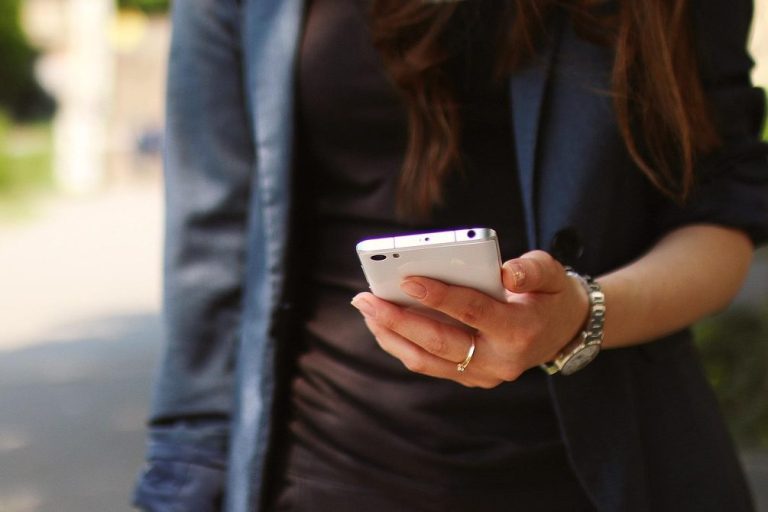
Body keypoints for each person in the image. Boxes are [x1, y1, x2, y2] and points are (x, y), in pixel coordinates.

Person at [133, 0, 768, 511]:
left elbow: (721, 212)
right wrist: (182, 479)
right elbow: (212, 246)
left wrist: (581, 317)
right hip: (321, 468)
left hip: (617, 469)